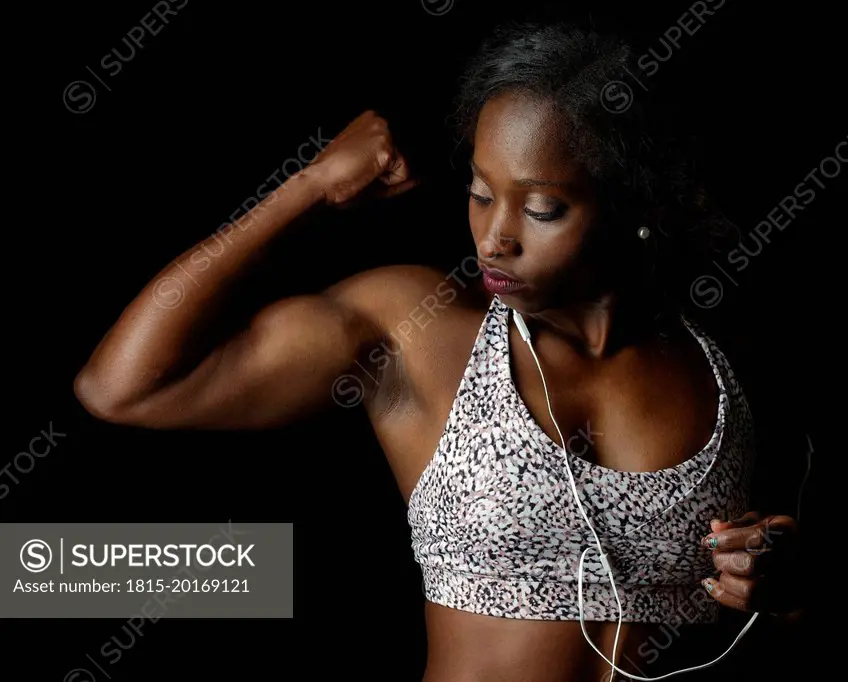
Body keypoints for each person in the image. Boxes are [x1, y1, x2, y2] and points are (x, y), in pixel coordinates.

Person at [74, 19, 803, 682]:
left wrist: (788, 588)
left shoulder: (726, 364)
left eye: (542, 208)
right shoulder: (418, 332)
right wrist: (307, 187)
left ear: (634, 205)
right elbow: (123, 388)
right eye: (482, 193)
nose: (495, 237)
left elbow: (792, 605)